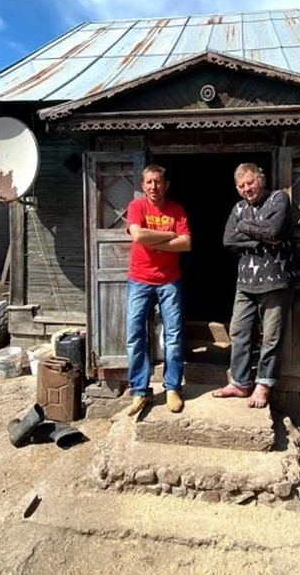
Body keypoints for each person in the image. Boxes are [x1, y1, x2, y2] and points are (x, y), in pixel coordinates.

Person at [213, 163, 293, 408]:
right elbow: (228, 239)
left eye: (250, 183)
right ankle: (240, 382)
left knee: (271, 336)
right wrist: (259, 238)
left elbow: (274, 231)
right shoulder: (238, 207)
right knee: (238, 331)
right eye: (241, 186)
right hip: (245, 282)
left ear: (261, 180)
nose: (246, 189)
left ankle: (263, 385)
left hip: (276, 279)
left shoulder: (279, 199)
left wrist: (244, 227)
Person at [124, 164, 191, 416]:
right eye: (149, 182)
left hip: (169, 280)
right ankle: (139, 391)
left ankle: (173, 387)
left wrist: (153, 237)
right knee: (135, 335)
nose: (154, 186)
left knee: (173, 335)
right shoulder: (136, 207)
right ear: (143, 185)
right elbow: (138, 236)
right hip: (139, 279)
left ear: (166, 184)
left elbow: (186, 244)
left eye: (158, 182)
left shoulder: (177, 209)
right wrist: (167, 235)